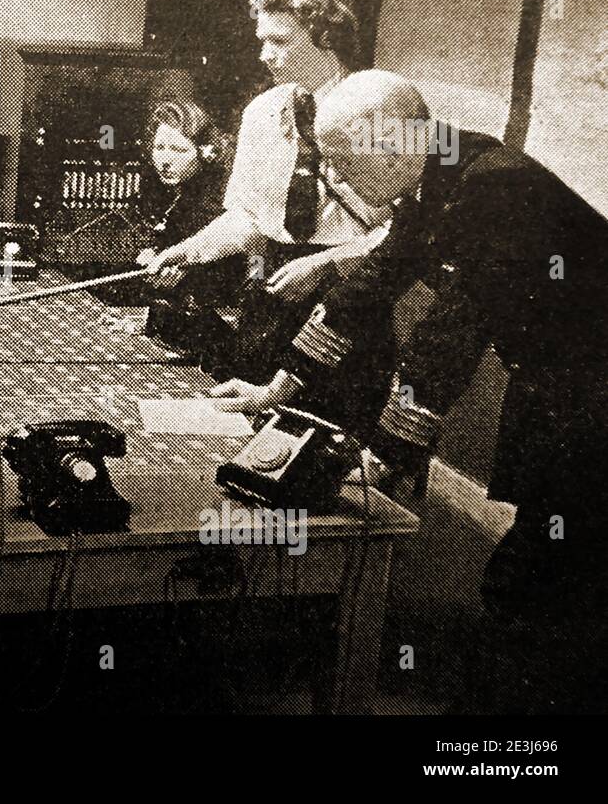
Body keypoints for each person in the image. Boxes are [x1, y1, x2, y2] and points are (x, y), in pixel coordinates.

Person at [210, 70, 608, 710]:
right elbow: (374, 281)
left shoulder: (492, 186)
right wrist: (275, 390)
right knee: (543, 567)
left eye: (343, 160)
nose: (338, 179)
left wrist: (379, 457)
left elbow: (449, 336)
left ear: (392, 140)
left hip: (591, 388)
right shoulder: (445, 165)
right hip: (558, 380)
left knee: (546, 578)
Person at [142, 0, 394, 377]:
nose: (264, 54)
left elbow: (404, 230)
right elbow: (249, 218)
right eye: (262, 40)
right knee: (250, 412)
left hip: (347, 295)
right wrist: (188, 251)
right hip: (271, 290)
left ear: (325, 37)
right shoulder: (261, 113)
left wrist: (326, 264)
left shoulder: (381, 108)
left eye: (279, 41)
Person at [133, 99, 240, 356]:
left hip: (220, 340)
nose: (165, 160)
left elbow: (230, 284)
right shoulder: (182, 191)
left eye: (178, 150)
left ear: (207, 153)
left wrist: (186, 276)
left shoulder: (217, 200)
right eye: (159, 147)